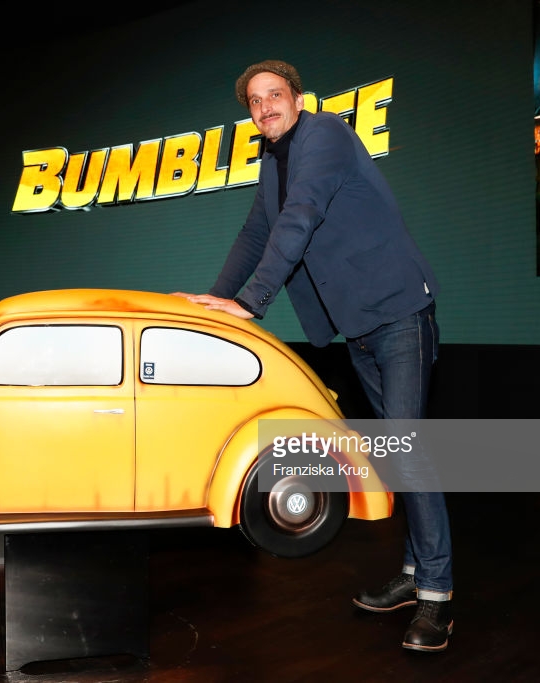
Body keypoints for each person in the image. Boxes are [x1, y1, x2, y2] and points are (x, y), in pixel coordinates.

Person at [174, 59, 453, 652]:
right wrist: (215, 301)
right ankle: (414, 574)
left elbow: (300, 217)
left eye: (275, 95)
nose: (265, 107)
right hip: (360, 327)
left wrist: (250, 302)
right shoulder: (271, 163)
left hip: (400, 312)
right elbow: (256, 234)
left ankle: (437, 596)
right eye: (255, 101)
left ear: (298, 100)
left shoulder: (324, 134)